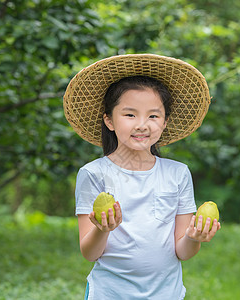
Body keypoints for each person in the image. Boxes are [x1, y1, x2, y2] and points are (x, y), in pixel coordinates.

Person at [63, 54, 221, 300]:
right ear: (109, 120)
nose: (142, 124)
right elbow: (89, 253)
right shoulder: (93, 174)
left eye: (153, 116)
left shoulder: (177, 173)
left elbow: (183, 252)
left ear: (165, 122)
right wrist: (103, 230)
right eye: (130, 115)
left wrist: (193, 236)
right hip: (109, 293)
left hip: (167, 294)